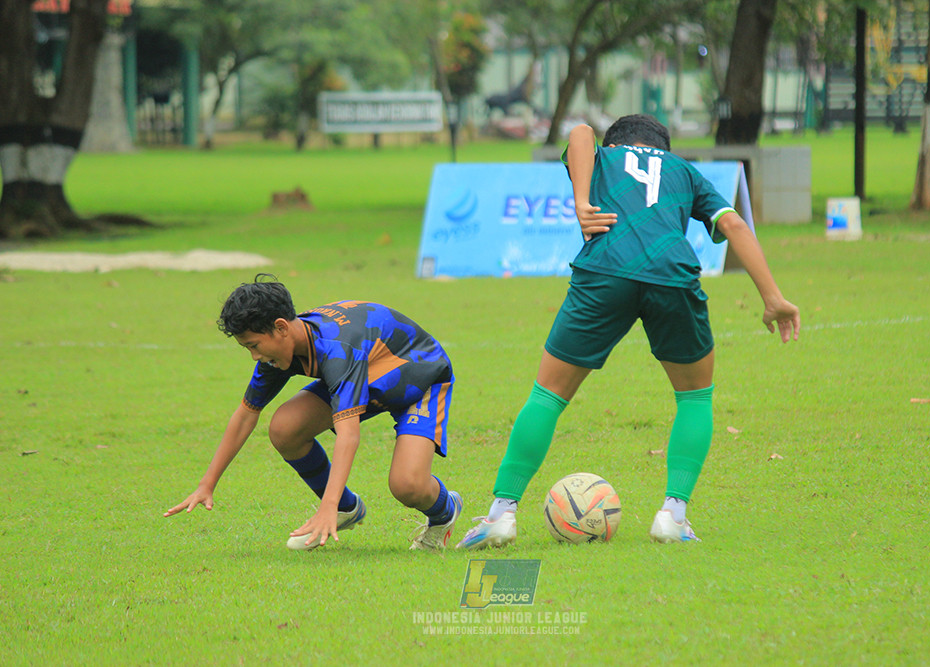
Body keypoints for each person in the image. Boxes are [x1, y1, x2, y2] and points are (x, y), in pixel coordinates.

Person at [457, 114, 799, 549]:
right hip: (671, 273)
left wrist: (582, 202)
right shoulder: (683, 171)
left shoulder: (603, 157)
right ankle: (673, 515)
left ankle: (501, 514)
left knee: (548, 394)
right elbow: (732, 224)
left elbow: (580, 132)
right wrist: (772, 297)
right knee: (695, 396)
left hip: (605, 268)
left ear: (615, 145)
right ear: (664, 148)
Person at [165, 274, 462, 551]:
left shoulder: (338, 350)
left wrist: (325, 506)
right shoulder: (282, 352)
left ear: (281, 327)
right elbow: (245, 415)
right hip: (367, 374)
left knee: (407, 485)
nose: (255, 356)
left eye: (254, 345)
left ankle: (445, 513)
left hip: (418, 377)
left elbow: (348, 435)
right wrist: (207, 484)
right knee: (285, 427)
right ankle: (347, 508)